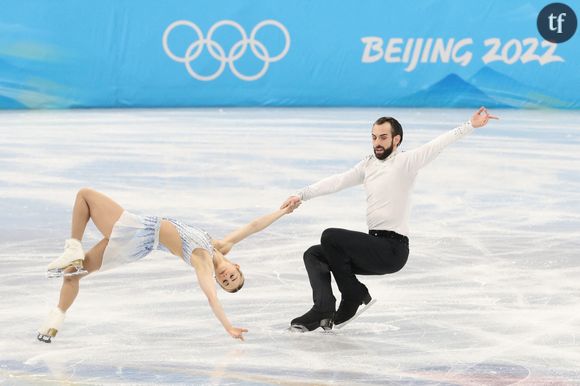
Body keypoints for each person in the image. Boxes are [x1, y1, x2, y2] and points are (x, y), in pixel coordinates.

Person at [281, 107, 499, 332]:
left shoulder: (406, 162)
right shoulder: (368, 166)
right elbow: (337, 181)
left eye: (383, 137)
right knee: (314, 254)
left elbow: (438, 144)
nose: (377, 142)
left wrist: (470, 125)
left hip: (392, 250)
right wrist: (301, 194)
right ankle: (323, 307)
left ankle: (353, 294)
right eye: (374, 137)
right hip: (372, 246)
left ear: (397, 139)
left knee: (331, 237)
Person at [38, 188, 297, 343]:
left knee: (85, 195)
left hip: (139, 231)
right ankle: (55, 320)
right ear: (236, 265)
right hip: (137, 245)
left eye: (226, 282)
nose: (226, 278)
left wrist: (227, 326)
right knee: (74, 274)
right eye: (233, 277)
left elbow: (211, 298)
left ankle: (73, 246)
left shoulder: (203, 260)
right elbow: (252, 227)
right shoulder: (220, 246)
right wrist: (283, 211)